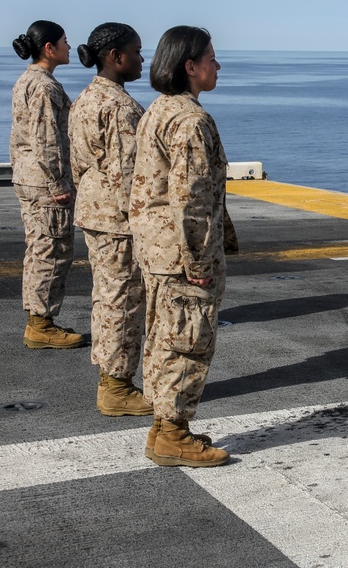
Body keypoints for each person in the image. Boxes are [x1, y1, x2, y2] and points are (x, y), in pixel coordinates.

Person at [129, 26, 229, 467]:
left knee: (163, 338)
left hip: (155, 248)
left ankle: (161, 427)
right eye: (210, 57)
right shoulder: (190, 120)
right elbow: (191, 198)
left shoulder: (159, 110)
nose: (217, 65)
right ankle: (173, 434)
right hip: (180, 252)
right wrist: (200, 259)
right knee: (187, 341)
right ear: (189, 66)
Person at [69, 23, 151, 417]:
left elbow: (79, 164)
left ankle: (111, 378)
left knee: (107, 297)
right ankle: (116, 387)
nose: (141, 58)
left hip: (94, 211)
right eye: (136, 50)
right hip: (118, 219)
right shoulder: (119, 106)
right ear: (116, 57)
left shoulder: (85, 98)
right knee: (122, 302)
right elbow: (129, 175)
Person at [10, 20, 84, 349]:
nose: (70, 47)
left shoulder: (28, 80)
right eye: (65, 42)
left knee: (39, 249)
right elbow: (46, 139)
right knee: (51, 251)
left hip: (30, 179)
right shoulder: (43, 86)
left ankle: (39, 321)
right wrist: (58, 183)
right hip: (45, 185)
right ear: (49, 48)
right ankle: (41, 324)